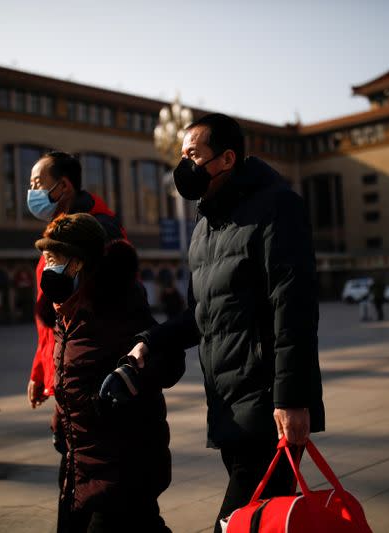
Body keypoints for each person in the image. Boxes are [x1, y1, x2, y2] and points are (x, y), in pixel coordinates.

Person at [108, 113, 325, 533]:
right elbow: (200, 314)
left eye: (194, 154)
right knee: (264, 525)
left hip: (269, 409)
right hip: (228, 409)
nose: (184, 165)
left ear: (227, 159)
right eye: (182, 155)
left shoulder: (277, 206)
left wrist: (292, 399)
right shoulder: (206, 224)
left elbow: (293, 308)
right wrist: (149, 342)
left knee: (234, 524)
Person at [36, 213, 183, 532]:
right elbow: (75, 373)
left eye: (53, 259)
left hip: (123, 471)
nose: (48, 270)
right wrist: (62, 415)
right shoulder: (68, 315)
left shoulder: (119, 308)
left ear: (78, 264)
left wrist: (129, 378)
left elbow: (168, 359)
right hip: (83, 467)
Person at [25, 151, 127, 452]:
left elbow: (101, 311)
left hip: (89, 376)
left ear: (64, 186)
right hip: (66, 368)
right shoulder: (58, 230)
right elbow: (52, 312)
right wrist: (42, 370)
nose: (32, 192)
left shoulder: (98, 231)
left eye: (37, 183)